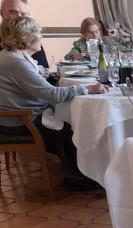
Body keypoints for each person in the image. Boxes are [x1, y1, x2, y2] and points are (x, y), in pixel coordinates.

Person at [0, 17, 107, 190]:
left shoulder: (12, 56)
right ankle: (77, 178)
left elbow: (34, 79)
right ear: (27, 37)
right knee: (72, 126)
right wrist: (88, 89)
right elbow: (52, 95)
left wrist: (44, 74)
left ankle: (77, 170)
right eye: (38, 33)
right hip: (20, 120)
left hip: (16, 115)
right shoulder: (15, 61)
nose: (41, 37)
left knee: (67, 117)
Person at [0, 0, 47, 68]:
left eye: (23, 14)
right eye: (13, 12)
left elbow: (44, 68)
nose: (19, 18)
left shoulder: (32, 39)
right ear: (1, 13)